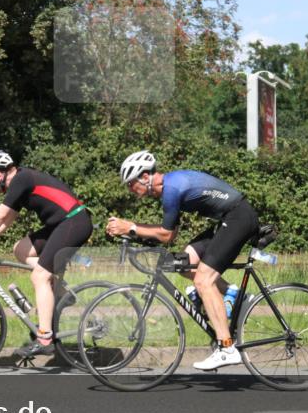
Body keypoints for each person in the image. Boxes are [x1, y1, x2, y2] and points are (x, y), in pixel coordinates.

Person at [106, 150, 259, 371]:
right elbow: (170, 235)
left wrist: (130, 227)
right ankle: (233, 296)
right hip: (228, 218)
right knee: (184, 261)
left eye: (131, 183)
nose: (130, 189)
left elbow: (166, 235)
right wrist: (132, 232)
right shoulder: (169, 188)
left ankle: (227, 348)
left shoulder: (171, 190)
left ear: (145, 177)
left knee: (203, 281)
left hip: (238, 218)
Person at [0, 151, 93, 357]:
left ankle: (45, 338)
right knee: (20, 249)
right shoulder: (21, 182)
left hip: (74, 221)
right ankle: (61, 292)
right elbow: (6, 220)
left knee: (39, 276)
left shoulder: (22, 178)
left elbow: (0, 214)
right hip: (60, 224)